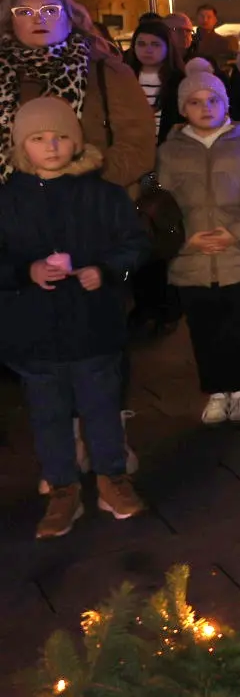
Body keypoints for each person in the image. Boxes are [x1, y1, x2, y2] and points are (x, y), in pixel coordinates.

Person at [0, 97, 151, 537]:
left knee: (102, 407)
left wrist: (104, 271)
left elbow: (136, 247)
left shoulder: (103, 195)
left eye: (62, 136)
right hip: (34, 332)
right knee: (47, 413)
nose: (52, 146)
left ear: (78, 142)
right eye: (39, 139)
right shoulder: (9, 200)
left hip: (94, 327)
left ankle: (111, 478)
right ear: (21, 146)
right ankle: (62, 488)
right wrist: (24, 272)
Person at [158, 69, 240, 425]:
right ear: (183, 109)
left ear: (225, 103)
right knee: (204, 329)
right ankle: (216, 391)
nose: (205, 107)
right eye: (195, 102)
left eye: (213, 100)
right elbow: (155, 201)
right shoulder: (168, 152)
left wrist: (239, 232)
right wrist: (180, 237)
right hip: (192, 259)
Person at [1, 0, 154, 192]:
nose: (38, 18)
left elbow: (137, 146)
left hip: (93, 208)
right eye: (25, 12)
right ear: (11, 21)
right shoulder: (5, 74)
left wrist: (81, 185)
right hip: (13, 211)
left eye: (50, 10)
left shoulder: (107, 72)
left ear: (70, 18)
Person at [124, 20, 186, 337]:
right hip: (132, 166)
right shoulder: (124, 77)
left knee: (162, 233)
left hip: (162, 165)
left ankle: (168, 305)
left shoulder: (176, 81)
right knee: (135, 235)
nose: (147, 50)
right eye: (142, 44)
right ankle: (143, 304)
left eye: (155, 44)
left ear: (166, 48)